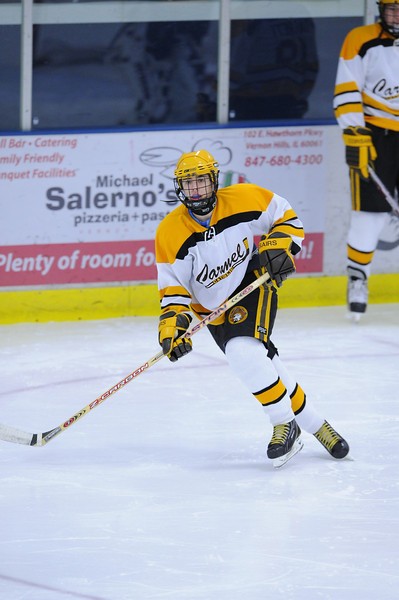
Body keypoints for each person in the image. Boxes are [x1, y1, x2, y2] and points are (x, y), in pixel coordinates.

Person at [155, 149, 350, 468]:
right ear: (179, 188)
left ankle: (284, 423)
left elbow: (285, 216)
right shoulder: (169, 232)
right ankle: (316, 424)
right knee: (264, 359)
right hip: (213, 312)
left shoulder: (243, 198)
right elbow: (173, 286)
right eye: (189, 184)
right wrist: (172, 326)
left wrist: (279, 246)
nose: (196, 190)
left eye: (202, 181)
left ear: (214, 180)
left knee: (242, 352)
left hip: (253, 281)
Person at [333, 0, 399, 321]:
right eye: (392, 8)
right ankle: (358, 278)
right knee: (369, 214)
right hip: (375, 135)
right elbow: (347, 86)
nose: (397, 15)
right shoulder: (360, 38)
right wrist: (355, 131)